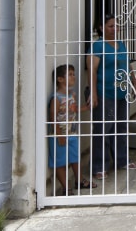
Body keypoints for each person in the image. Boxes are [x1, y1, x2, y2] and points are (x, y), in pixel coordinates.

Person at [86, 14, 136, 180]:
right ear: (102, 28)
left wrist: (134, 84)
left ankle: (122, 160)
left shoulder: (121, 45)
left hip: (121, 93)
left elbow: (127, 65)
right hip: (105, 94)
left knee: (121, 127)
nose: (115, 29)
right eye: (110, 26)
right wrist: (94, 93)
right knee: (103, 129)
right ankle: (99, 166)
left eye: (116, 25)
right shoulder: (98, 46)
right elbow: (92, 70)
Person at [48, 64, 96, 194]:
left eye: (73, 74)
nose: (73, 76)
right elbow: (53, 118)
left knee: (75, 158)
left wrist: (86, 108)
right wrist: (59, 135)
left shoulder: (71, 95)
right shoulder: (56, 98)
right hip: (59, 135)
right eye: (70, 74)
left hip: (72, 133)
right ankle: (65, 187)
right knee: (60, 161)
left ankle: (79, 181)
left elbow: (73, 109)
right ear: (60, 79)